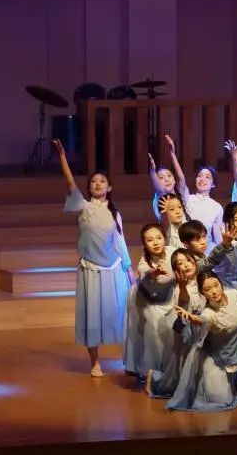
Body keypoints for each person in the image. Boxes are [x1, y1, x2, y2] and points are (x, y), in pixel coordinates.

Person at [52, 138, 132, 378]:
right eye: (94, 181)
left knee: (120, 313)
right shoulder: (84, 206)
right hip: (90, 268)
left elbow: (121, 242)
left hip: (114, 268)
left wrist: (129, 270)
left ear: (110, 187)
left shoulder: (114, 213)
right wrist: (63, 158)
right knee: (92, 316)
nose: (98, 184)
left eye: (102, 181)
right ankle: (95, 362)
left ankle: (129, 359)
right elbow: (70, 182)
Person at [161, 271, 237, 411]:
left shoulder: (233, 294)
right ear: (202, 293)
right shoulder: (208, 312)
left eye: (216, 285)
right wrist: (192, 318)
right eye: (207, 289)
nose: (214, 292)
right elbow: (203, 319)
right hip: (217, 359)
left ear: (221, 284)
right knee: (222, 399)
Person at [145, 247, 204, 397]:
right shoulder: (180, 289)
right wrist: (183, 287)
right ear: (176, 271)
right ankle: (155, 379)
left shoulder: (202, 280)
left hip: (202, 330)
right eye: (180, 263)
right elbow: (183, 304)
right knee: (181, 369)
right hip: (187, 332)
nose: (186, 265)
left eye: (188, 260)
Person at [123, 224, 178, 378]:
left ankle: (170, 372)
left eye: (159, 238)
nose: (155, 242)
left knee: (173, 331)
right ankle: (152, 374)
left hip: (169, 297)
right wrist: (154, 272)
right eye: (150, 240)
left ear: (164, 238)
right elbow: (146, 272)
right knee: (153, 333)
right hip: (146, 300)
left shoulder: (173, 252)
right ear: (144, 244)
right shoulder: (144, 263)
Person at [161, 135, 224, 249]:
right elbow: (181, 179)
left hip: (205, 252)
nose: (202, 179)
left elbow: (218, 238)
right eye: (199, 176)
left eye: (207, 177)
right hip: (185, 249)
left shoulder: (217, 207)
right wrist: (173, 154)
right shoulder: (188, 198)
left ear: (213, 184)